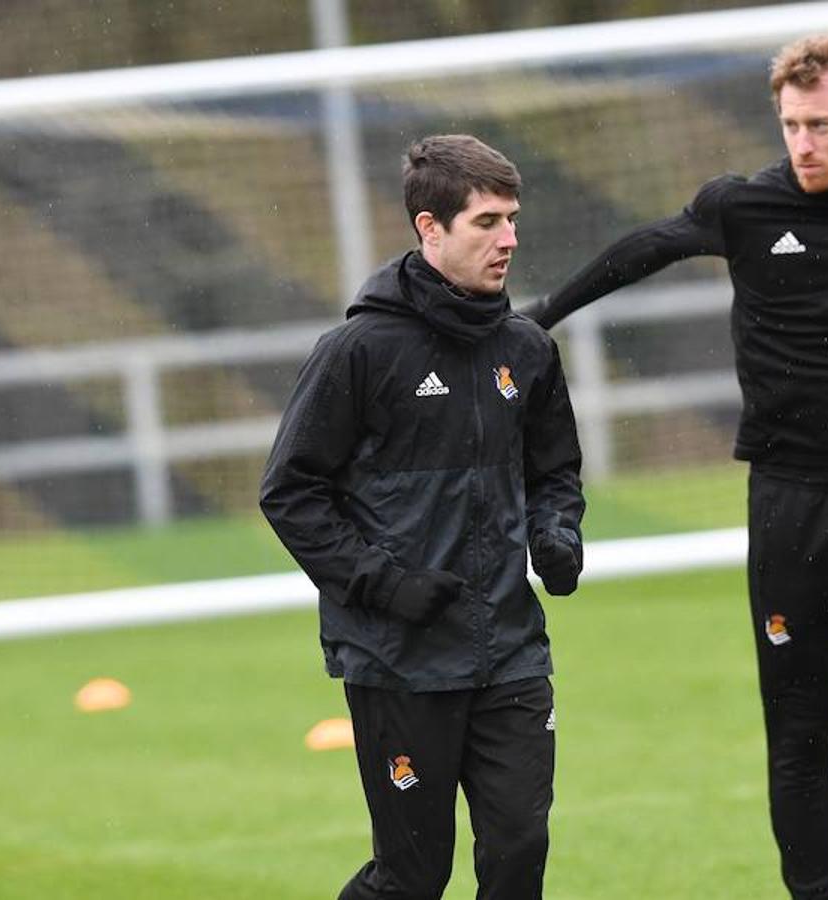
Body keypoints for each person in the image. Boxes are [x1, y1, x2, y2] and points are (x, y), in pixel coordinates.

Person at [522, 33, 828, 899]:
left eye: (819, 126)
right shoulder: (742, 208)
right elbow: (646, 247)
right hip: (793, 508)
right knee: (801, 736)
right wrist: (541, 315)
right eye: (790, 125)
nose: (802, 144)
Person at [260, 134, 585, 900]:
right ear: (429, 229)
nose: (508, 239)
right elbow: (291, 491)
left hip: (509, 650)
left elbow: (555, 472)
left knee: (517, 854)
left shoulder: (527, 350)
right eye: (486, 222)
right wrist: (384, 584)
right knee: (411, 877)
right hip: (398, 658)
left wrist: (557, 532)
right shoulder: (358, 351)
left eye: (511, 219)